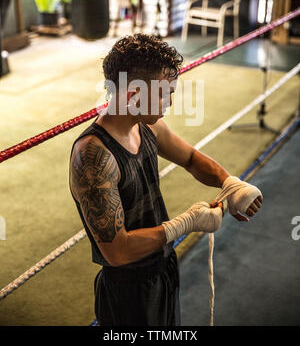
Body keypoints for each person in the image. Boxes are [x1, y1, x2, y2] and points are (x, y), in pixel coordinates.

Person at [69, 33, 262, 326]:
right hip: (127, 292)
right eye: (163, 93)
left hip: (163, 270)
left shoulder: (147, 126)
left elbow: (191, 158)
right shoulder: (94, 157)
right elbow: (117, 250)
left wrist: (230, 184)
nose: (170, 101)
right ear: (133, 95)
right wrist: (188, 222)